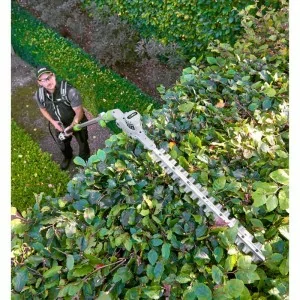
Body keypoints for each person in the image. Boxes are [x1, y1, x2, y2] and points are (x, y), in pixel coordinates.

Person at [34, 66, 90, 170]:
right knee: (63, 144)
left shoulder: (70, 92)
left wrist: (72, 127)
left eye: (49, 77)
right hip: (60, 125)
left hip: (77, 123)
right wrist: (54, 123)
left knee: (83, 143)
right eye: (43, 80)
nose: (48, 82)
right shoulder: (39, 95)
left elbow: (79, 112)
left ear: (53, 76)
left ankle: (84, 161)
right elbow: (43, 109)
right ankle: (68, 157)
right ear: (39, 83)